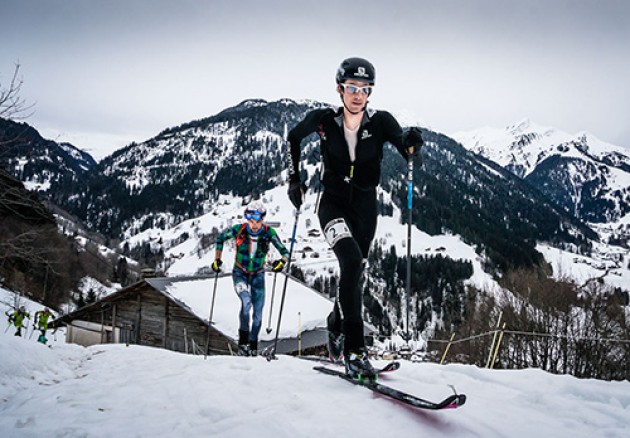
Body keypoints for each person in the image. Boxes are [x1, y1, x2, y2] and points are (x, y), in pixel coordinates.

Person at [287, 57, 423, 379]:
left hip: (365, 210)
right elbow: (293, 137)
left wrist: (412, 144)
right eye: (351, 88)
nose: (358, 95)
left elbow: (408, 151)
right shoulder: (323, 120)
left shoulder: (381, 122)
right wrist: (294, 179)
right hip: (331, 205)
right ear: (340, 89)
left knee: (355, 272)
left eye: (365, 89)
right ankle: (355, 351)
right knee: (349, 261)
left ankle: (336, 323)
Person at [212, 201, 290, 356]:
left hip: (258, 275)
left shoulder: (269, 233)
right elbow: (220, 239)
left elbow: (285, 251)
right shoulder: (239, 230)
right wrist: (217, 259)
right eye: (251, 221)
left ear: (263, 220)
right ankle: (243, 342)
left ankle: (253, 345)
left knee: (258, 314)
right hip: (240, 273)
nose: (254, 225)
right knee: (246, 302)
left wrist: (281, 263)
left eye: (258, 221)